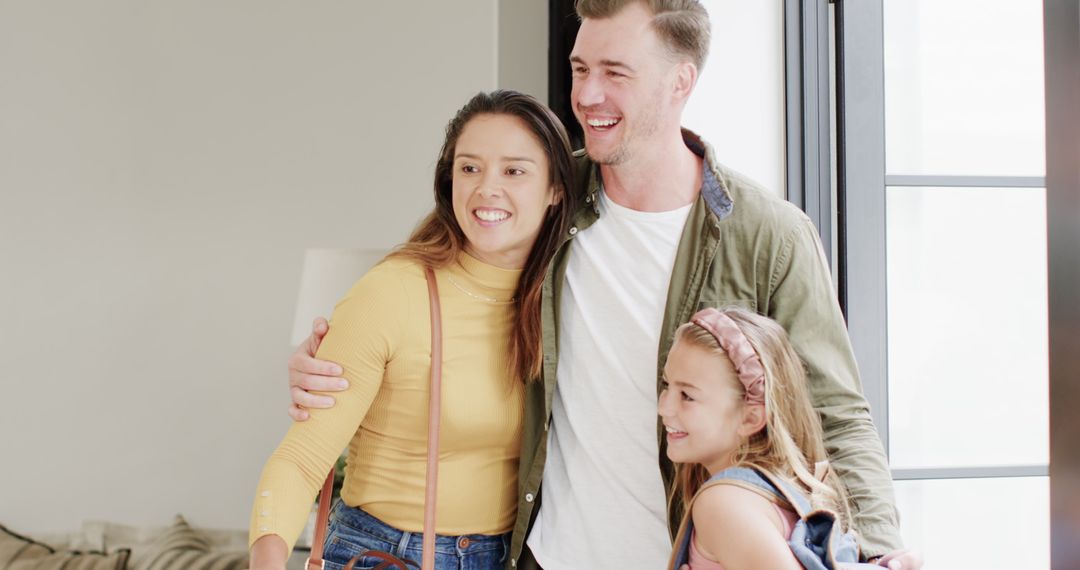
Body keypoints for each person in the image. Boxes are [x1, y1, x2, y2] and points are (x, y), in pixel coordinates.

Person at [288, 1, 922, 568]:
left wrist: (878, 547)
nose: (586, 94)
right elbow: (430, 287)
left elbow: (836, 413)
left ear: (682, 82)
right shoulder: (543, 192)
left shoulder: (769, 236)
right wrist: (329, 362)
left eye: (615, 72)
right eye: (579, 67)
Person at [247, 90, 576, 570]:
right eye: (469, 168)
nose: (486, 188)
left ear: (556, 189)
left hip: (508, 556)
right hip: (387, 554)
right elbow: (301, 460)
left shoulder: (562, 299)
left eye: (514, 170)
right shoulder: (392, 292)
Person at [661, 307, 920, 569]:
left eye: (687, 396)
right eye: (666, 385)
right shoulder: (781, 493)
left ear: (751, 418)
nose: (664, 408)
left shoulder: (724, 503)